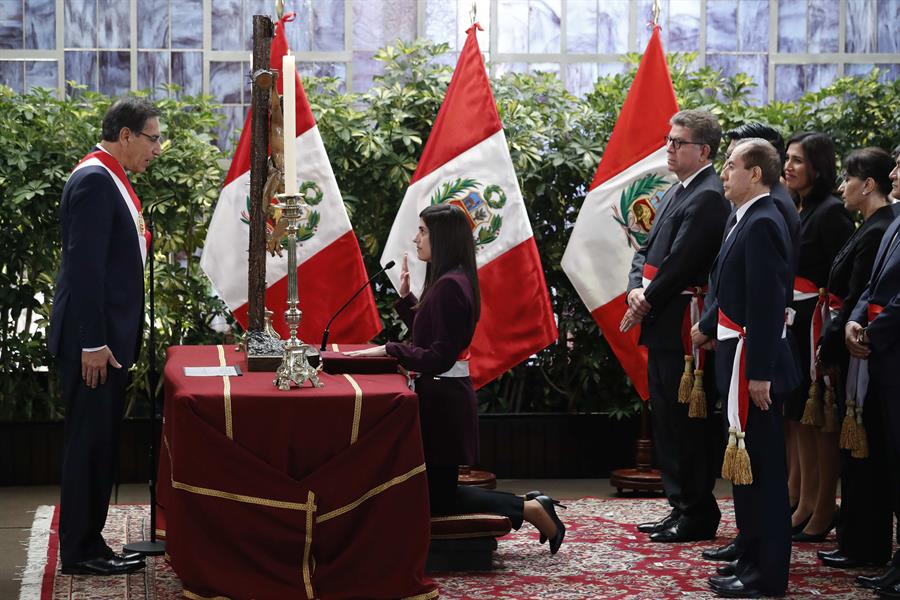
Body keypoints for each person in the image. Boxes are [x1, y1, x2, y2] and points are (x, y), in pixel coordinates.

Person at [346, 204, 565, 553]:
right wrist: (407, 300)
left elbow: (437, 356)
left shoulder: (451, 285)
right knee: (435, 493)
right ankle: (530, 506)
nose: (416, 239)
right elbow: (432, 334)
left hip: (443, 403)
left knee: (440, 498)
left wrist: (391, 349)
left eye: (422, 231)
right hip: (441, 397)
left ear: (442, 238)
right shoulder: (450, 279)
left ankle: (530, 508)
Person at [48, 97, 162, 575]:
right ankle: (80, 552)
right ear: (127, 136)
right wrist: (92, 343)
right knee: (88, 446)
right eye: (153, 138)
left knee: (98, 444)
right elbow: (85, 270)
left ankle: (90, 541)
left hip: (106, 342)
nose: (158, 148)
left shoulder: (109, 176)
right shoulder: (96, 180)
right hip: (92, 346)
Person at [694, 122, 801, 566]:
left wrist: (759, 373)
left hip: (753, 367)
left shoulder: (763, 221)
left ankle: (766, 570)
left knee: (763, 471)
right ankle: (750, 554)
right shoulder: (746, 217)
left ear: (755, 174)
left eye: (732, 165)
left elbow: (766, 305)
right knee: (747, 466)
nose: (724, 171)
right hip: (736, 359)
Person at [623, 109, 731, 543]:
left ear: (703, 150)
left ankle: (697, 513)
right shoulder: (676, 189)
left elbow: (682, 262)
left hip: (683, 324)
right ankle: (678, 506)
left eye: (677, 142)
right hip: (660, 317)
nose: (668, 148)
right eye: (668, 140)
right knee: (666, 419)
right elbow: (644, 248)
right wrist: (635, 288)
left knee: (688, 423)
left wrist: (644, 302)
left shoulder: (707, 195)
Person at [814, 148, 897, 570]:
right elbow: (862, 292)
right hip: (857, 338)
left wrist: (847, 335)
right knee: (859, 456)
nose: (842, 186)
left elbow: (869, 295)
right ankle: (856, 540)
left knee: (872, 457)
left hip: (875, 347)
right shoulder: (877, 225)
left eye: (849, 177)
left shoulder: (883, 224)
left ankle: (867, 544)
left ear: (867, 184)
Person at [783, 132, 853, 543]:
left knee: (820, 418)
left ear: (819, 167)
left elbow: (842, 277)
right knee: (798, 417)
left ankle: (824, 504)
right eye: (787, 159)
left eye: (797, 160)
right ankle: (803, 499)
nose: (788, 166)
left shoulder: (831, 212)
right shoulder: (800, 206)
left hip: (817, 322)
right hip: (794, 319)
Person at [850, 148, 900, 599]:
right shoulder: (895, 221)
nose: (895, 174)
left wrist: (872, 331)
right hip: (880, 349)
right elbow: (873, 283)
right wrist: (856, 319)